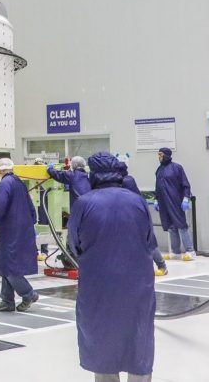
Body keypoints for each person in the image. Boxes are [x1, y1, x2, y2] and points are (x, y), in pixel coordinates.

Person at [68, 154, 156, 382]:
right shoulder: (137, 201)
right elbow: (150, 241)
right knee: (139, 337)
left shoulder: (84, 203)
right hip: (138, 284)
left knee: (102, 337)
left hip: (99, 285)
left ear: (93, 174)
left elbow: (74, 245)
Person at [0, 158, 39, 312]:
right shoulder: (19, 183)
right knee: (6, 265)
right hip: (22, 230)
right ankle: (7, 301)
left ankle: (28, 294)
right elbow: (31, 206)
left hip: (11, 232)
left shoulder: (5, 184)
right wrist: (31, 224)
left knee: (9, 267)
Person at [118, 158, 168, 276]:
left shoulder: (126, 181)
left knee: (149, 241)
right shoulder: (126, 180)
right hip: (133, 214)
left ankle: (162, 266)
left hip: (137, 215)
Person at [154, 147, 195, 260]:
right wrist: (156, 199)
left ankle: (190, 250)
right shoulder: (159, 170)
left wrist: (186, 198)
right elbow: (157, 186)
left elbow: (185, 184)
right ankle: (175, 251)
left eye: (160, 154)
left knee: (181, 225)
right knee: (171, 227)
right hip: (164, 202)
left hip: (175, 201)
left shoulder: (177, 168)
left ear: (166, 155)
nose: (159, 157)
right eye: (158, 154)